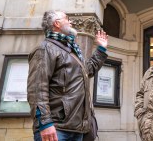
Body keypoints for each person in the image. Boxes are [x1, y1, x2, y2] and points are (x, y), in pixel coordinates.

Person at [27, 10, 108, 141]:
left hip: (76, 128)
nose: (71, 22)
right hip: (56, 128)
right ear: (57, 23)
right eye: (67, 18)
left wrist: (101, 49)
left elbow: (88, 70)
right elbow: (37, 90)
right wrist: (45, 123)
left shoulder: (72, 50)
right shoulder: (45, 49)